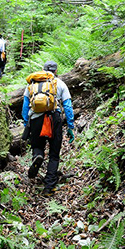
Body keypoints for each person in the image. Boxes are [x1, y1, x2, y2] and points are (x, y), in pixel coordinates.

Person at [22, 60, 75, 196]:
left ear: (43, 69)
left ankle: (38, 155)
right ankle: (49, 187)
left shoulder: (32, 84)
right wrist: (70, 126)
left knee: (37, 145)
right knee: (54, 153)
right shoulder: (59, 83)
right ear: (56, 71)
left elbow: (25, 107)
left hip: (35, 119)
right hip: (54, 119)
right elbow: (68, 106)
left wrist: (26, 123)